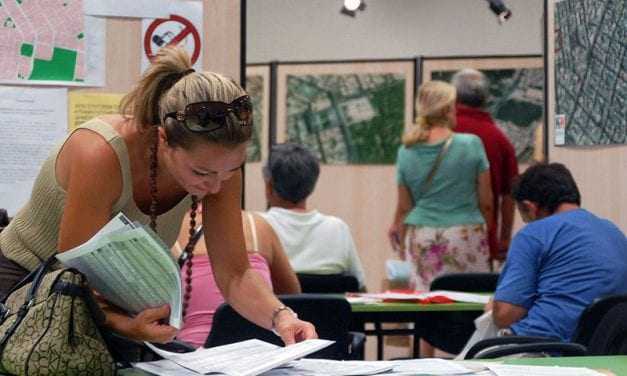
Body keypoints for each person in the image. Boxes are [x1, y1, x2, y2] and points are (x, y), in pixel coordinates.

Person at [0, 46, 316, 346]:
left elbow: (235, 274)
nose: (216, 187)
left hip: (103, 302)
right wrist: (124, 325)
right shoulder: (99, 153)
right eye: (201, 174)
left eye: (231, 171)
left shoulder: (218, 170)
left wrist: (282, 318)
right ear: (163, 139)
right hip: (23, 284)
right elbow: (77, 275)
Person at [490, 163, 627, 341]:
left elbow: (505, 315)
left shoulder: (533, 234)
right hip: (606, 348)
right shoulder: (614, 232)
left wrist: (495, 306)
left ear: (529, 207)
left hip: (543, 346)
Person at [389, 80, 494, 290]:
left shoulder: (406, 150)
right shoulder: (471, 144)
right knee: (470, 301)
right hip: (466, 235)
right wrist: (486, 231)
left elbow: (405, 206)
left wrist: (397, 229)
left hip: (422, 235)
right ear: (447, 109)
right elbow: (486, 202)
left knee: (426, 303)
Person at [173, 208, 302, 347]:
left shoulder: (171, 231)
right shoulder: (257, 226)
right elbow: (292, 295)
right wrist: (282, 315)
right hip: (261, 353)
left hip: (191, 353)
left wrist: (281, 315)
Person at [260, 143, 367, 291]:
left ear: (269, 185)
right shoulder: (337, 229)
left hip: (273, 313)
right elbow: (359, 286)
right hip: (329, 314)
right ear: (312, 185)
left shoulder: (257, 227)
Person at [452, 69, 519, 264]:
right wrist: (504, 239)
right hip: (481, 239)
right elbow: (510, 194)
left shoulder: (440, 134)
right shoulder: (499, 139)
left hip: (433, 237)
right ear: (486, 98)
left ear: (453, 96)